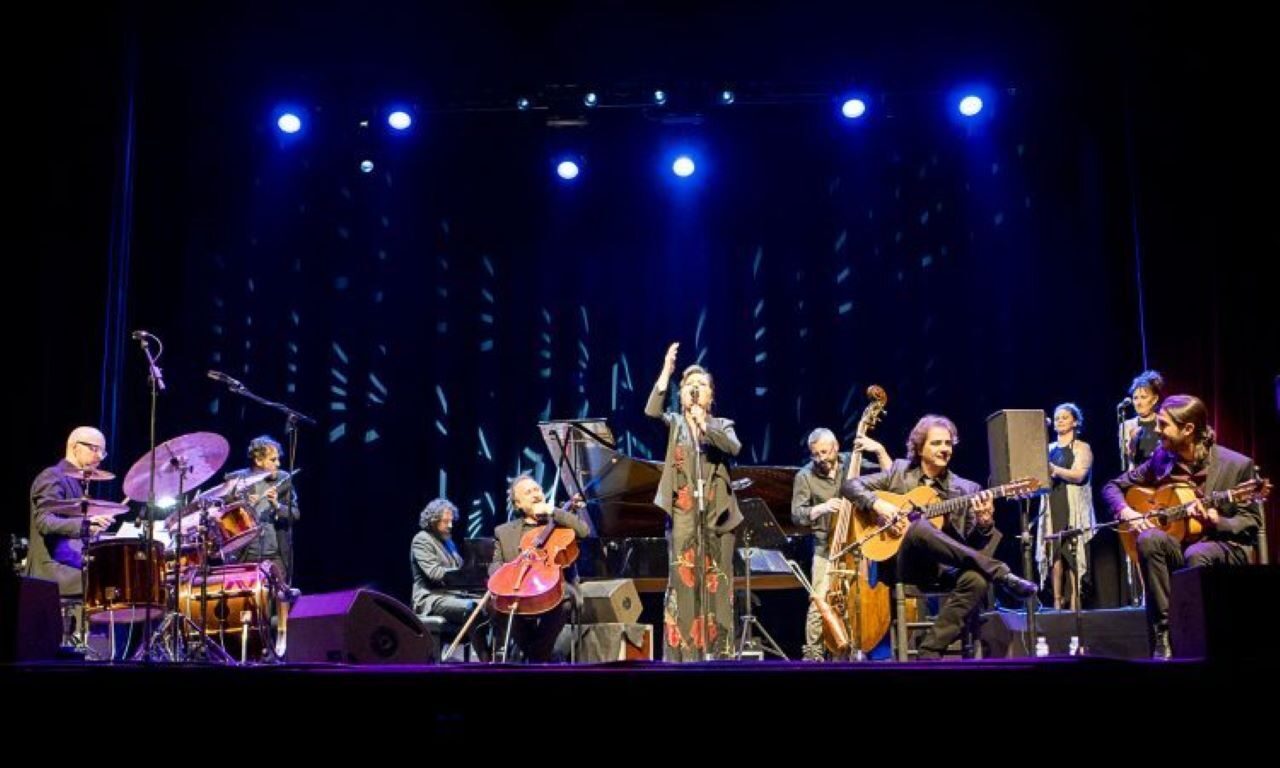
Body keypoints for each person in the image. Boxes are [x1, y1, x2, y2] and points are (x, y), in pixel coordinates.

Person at [842, 415, 1038, 659]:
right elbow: (849, 486)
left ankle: (930, 651)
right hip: (905, 565)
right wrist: (879, 505)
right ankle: (1002, 574)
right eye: (936, 443)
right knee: (920, 527)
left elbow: (972, 548)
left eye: (948, 443)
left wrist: (984, 524)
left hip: (945, 569)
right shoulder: (899, 473)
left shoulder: (968, 489)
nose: (944, 449)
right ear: (919, 447)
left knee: (976, 580)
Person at [1102, 394, 1262, 659]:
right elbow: (1112, 487)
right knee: (1150, 539)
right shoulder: (1162, 459)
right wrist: (1127, 511)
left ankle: (1201, 639)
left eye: (1163, 425)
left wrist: (1216, 520)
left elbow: (1250, 523)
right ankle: (1164, 633)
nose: (1156, 429)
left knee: (1196, 554)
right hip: (1180, 544)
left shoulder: (1236, 465)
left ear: (1188, 430)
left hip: (1223, 546)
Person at [645, 342, 742, 661]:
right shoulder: (674, 424)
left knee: (718, 585)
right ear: (681, 394)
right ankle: (682, 659)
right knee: (683, 586)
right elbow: (651, 411)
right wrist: (667, 372)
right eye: (689, 386)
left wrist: (704, 425)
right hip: (682, 513)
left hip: (718, 515)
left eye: (701, 385)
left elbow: (733, 447)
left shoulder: (721, 424)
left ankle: (721, 657)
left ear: (711, 396)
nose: (695, 390)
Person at [791, 426, 891, 661]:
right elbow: (797, 515)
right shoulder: (805, 476)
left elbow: (892, 477)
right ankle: (814, 653)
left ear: (836, 448)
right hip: (826, 547)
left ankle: (858, 647)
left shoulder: (852, 462)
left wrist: (880, 451)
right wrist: (821, 508)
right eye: (815, 454)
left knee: (858, 599)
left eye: (825, 452)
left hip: (858, 545)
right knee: (820, 601)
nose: (820, 459)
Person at [488, 474, 590, 662]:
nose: (535, 494)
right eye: (528, 492)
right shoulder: (503, 531)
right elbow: (496, 564)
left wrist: (554, 510)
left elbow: (584, 531)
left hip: (558, 585)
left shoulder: (560, 523)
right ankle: (541, 657)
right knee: (496, 604)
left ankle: (534, 658)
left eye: (537, 490)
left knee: (563, 598)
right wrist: (502, 580)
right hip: (519, 588)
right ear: (518, 504)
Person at [1035, 403, 1096, 610]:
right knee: (1055, 553)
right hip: (1052, 503)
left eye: (1065, 417)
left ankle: (1075, 603)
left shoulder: (1082, 447)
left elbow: (1079, 475)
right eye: (1057, 417)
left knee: (1072, 552)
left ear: (1075, 421)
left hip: (1072, 504)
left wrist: (1054, 469)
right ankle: (1057, 601)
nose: (1060, 420)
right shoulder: (1048, 448)